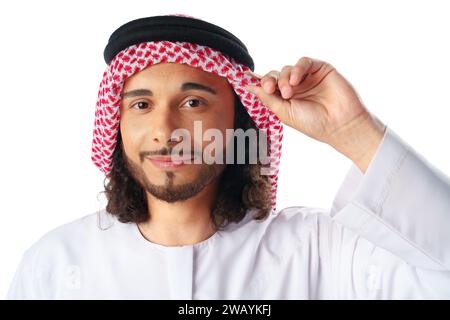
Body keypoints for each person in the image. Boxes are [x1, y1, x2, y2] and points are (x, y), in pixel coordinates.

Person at [6, 14, 450, 299]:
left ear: (238, 123)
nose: (165, 132)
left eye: (194, 103)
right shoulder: (56, 264)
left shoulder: (320, 251)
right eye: (141, 105)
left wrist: (355, 133)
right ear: (117, 124)